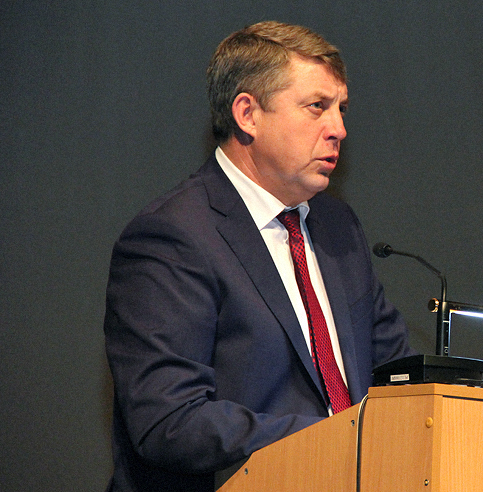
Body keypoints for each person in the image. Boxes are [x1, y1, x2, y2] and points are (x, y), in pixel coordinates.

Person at [103, 21, 414, 491]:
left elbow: (396, 374)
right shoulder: (172, 237)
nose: (339, 129)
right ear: (248, 114)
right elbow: (169, 420)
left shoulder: (338, 227)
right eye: (317, 106)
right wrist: (334, 438)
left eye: (342, 108)